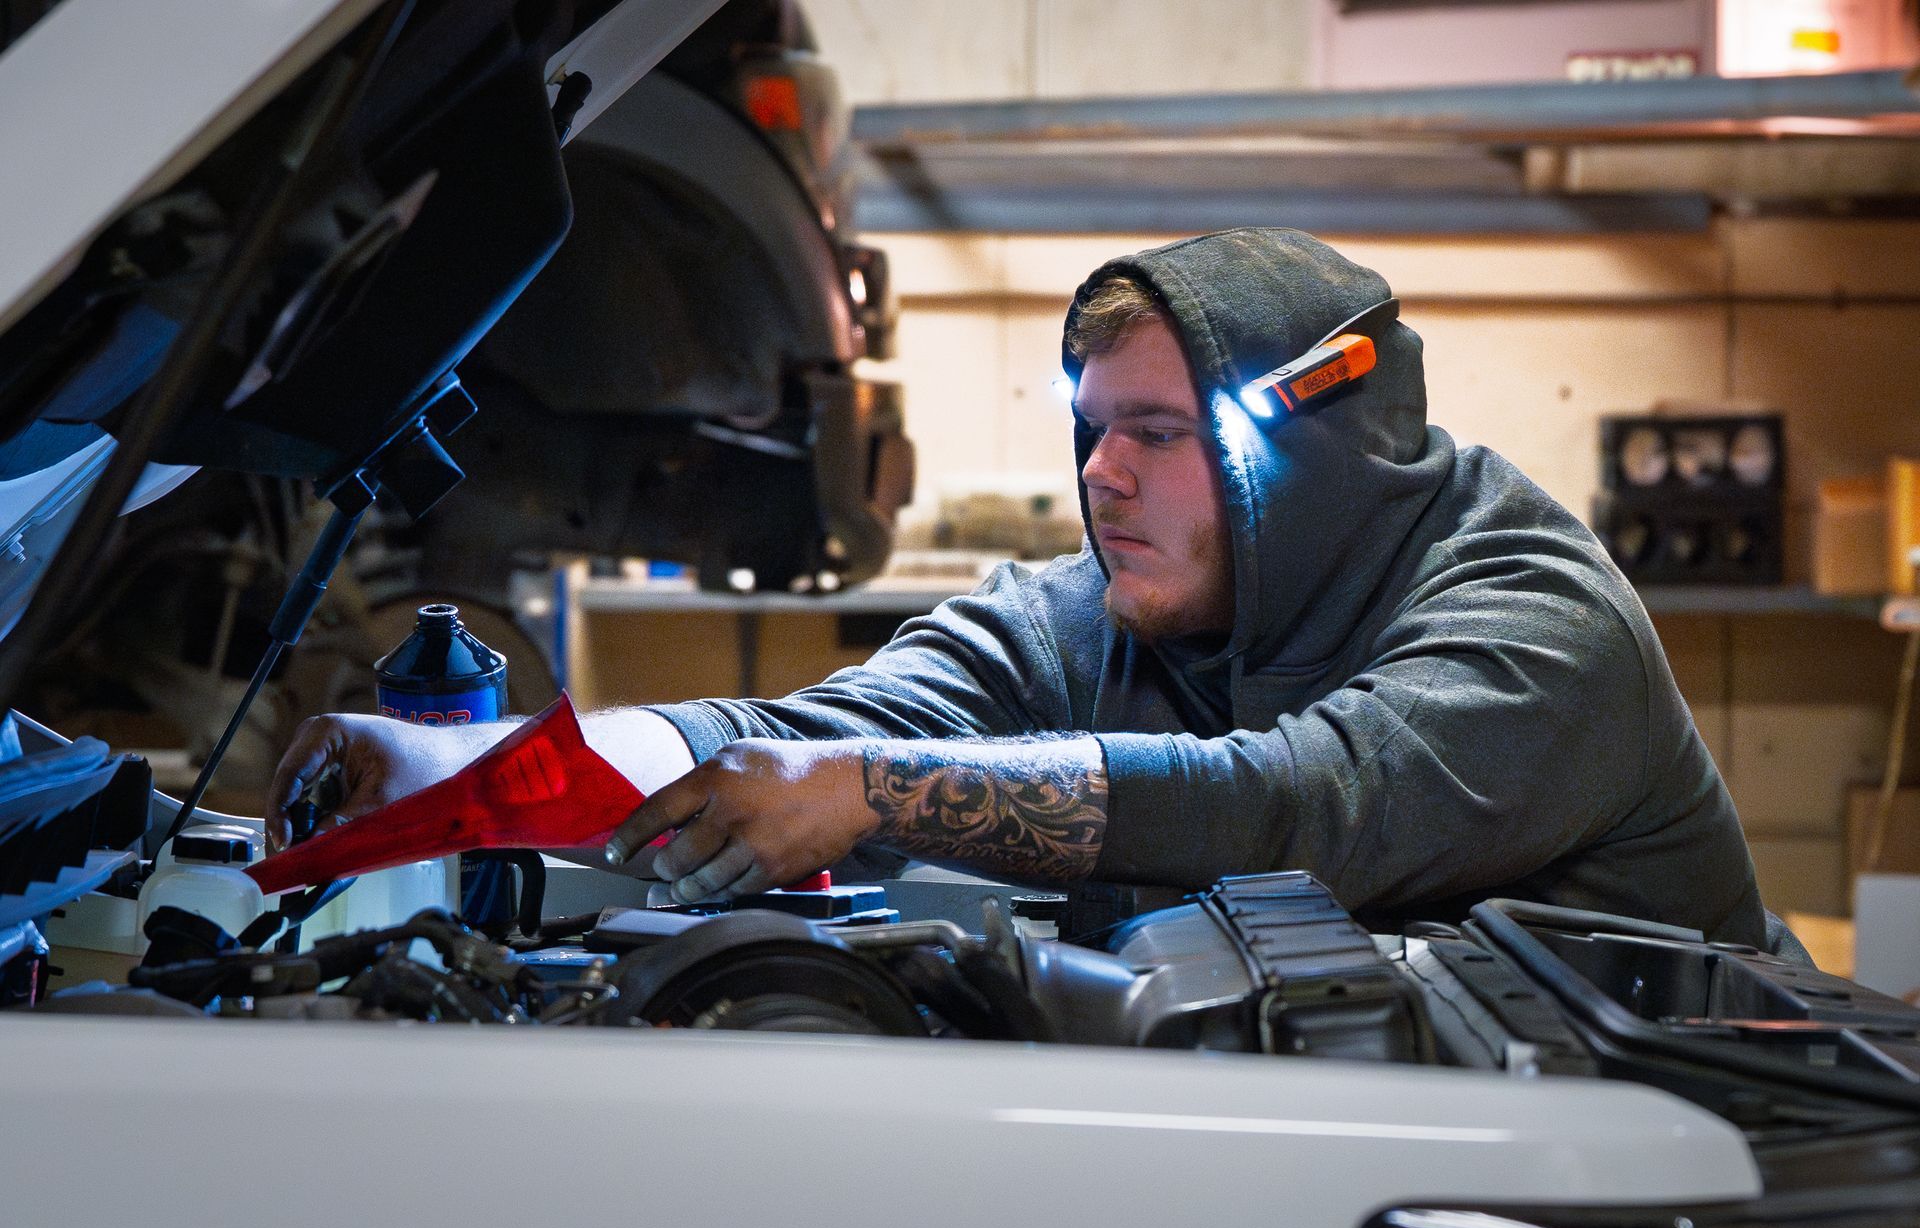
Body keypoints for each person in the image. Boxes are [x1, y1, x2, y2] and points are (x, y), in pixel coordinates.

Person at [268, 228, 1767, 946]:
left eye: (1162, 439)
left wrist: (879, 793)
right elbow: (828, 723)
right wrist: (473, 764)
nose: (1103, 479)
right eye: (1094, 432)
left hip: (1696, 1184)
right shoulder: (1095, 613)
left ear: (1316, 451)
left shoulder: (1530, 618)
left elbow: (1303, 807)